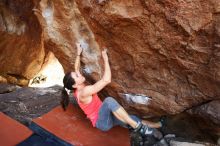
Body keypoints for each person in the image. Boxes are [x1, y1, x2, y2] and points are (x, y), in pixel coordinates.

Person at [61, 43, 163, 138]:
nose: (79, 73)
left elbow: (76, 68)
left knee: (131, 118)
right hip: (102, 123)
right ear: (75, 84)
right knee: (109, 101)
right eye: (77, 75)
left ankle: (158, 125)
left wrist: (78, 53)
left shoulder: (77, 87)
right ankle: (138, 127)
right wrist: (105, 60)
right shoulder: (84, 92)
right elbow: (106, 80)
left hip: (107, 115)